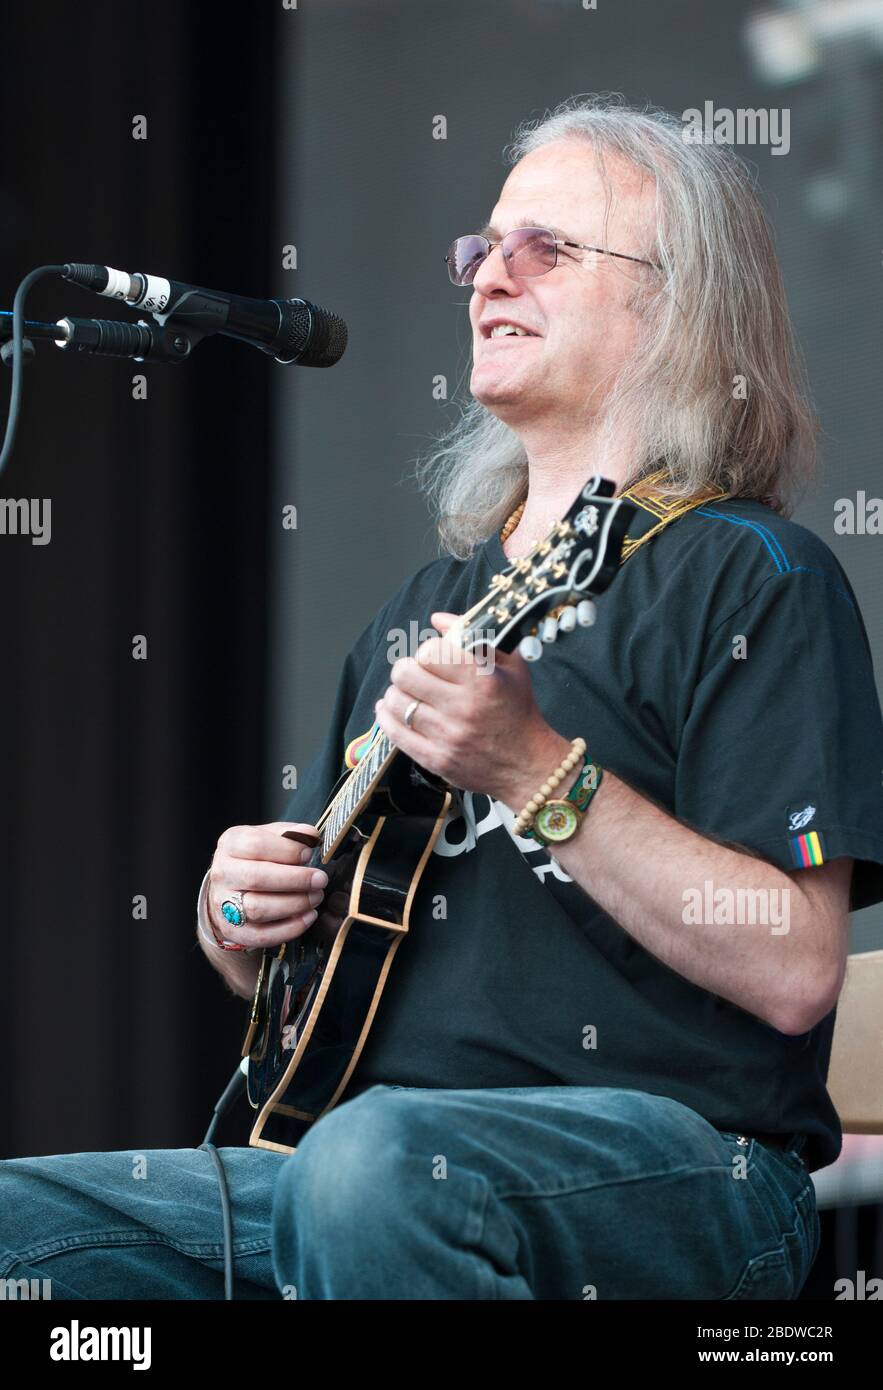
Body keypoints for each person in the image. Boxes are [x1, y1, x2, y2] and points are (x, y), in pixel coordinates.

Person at [3, 96, 883, 1301]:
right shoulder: (425, 610)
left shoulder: (753, 576)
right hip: (351, 1183)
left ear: (679, 306)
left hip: (688, 1181)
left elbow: (797, 969)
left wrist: (535, 772)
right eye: (481, 249)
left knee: (369, 1169)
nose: (487, 279)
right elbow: (329, 952)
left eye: (545, 251)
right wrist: (241, 921)